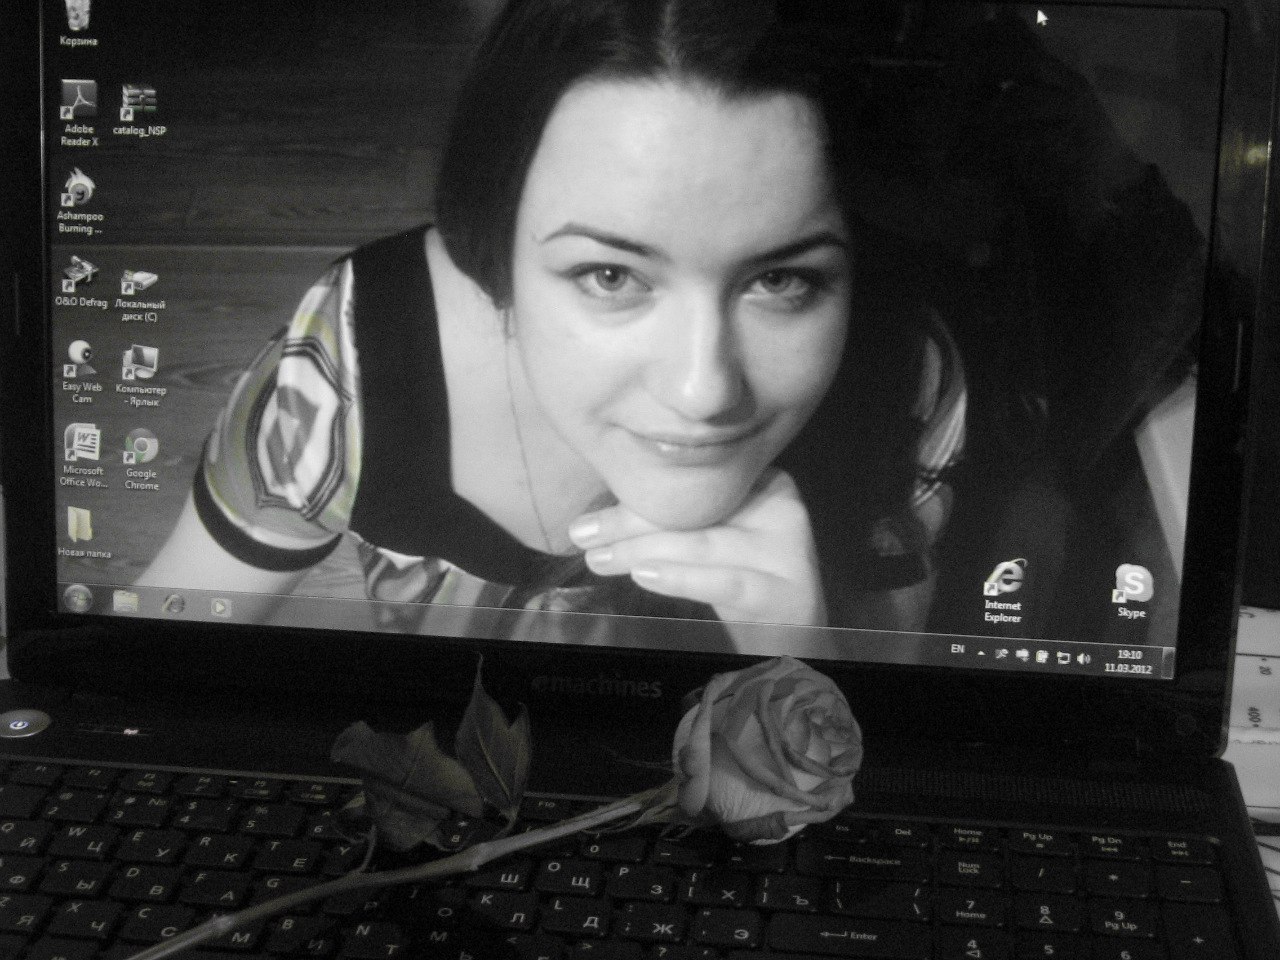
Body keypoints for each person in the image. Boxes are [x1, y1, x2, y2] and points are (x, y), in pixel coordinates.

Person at [138, 0, 966, 646]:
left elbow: (895, 711)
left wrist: (801, 655)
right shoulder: (354, 366)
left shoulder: (904, 375)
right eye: (611, 275)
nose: (703, 392)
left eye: (781, 280)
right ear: (494, 240)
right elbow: (145, 653)